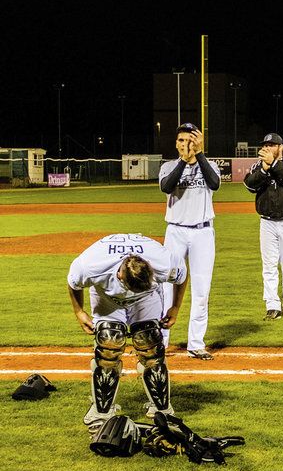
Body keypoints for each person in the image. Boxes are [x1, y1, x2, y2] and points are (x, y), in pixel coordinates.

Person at [67, 233, 187, 431]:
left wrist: (175, 308)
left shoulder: (163, 261)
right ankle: (101, 412)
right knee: (108, 342)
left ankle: (162, 410)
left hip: (146, 298)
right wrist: (79, 312)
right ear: (120, 275)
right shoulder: (92, 264)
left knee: (150, 343)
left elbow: (181, 276)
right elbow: (73, 283)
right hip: (107, 297)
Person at [158, 122, 219, 360]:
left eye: (191, 140)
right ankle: (161, 342)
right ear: (176, 143)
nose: (187, 144)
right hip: (175, 231)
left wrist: (199, 154)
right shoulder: (169, 166)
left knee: (202, 289)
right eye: (182, 140)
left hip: (203, 232)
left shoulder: (209, 165)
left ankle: (196, 343)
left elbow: (214, 183)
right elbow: (167, 187)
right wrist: (184, 160)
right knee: (166, 289)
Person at [244, 132, 283, 320]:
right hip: (267, 222)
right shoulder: (258, 165)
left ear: (280, 147)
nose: (267, 148)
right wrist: (264, 168)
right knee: (269, 265)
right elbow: (250, 185)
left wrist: (274, 165)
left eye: (272, 145)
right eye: (265, 145)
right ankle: (272, 305)